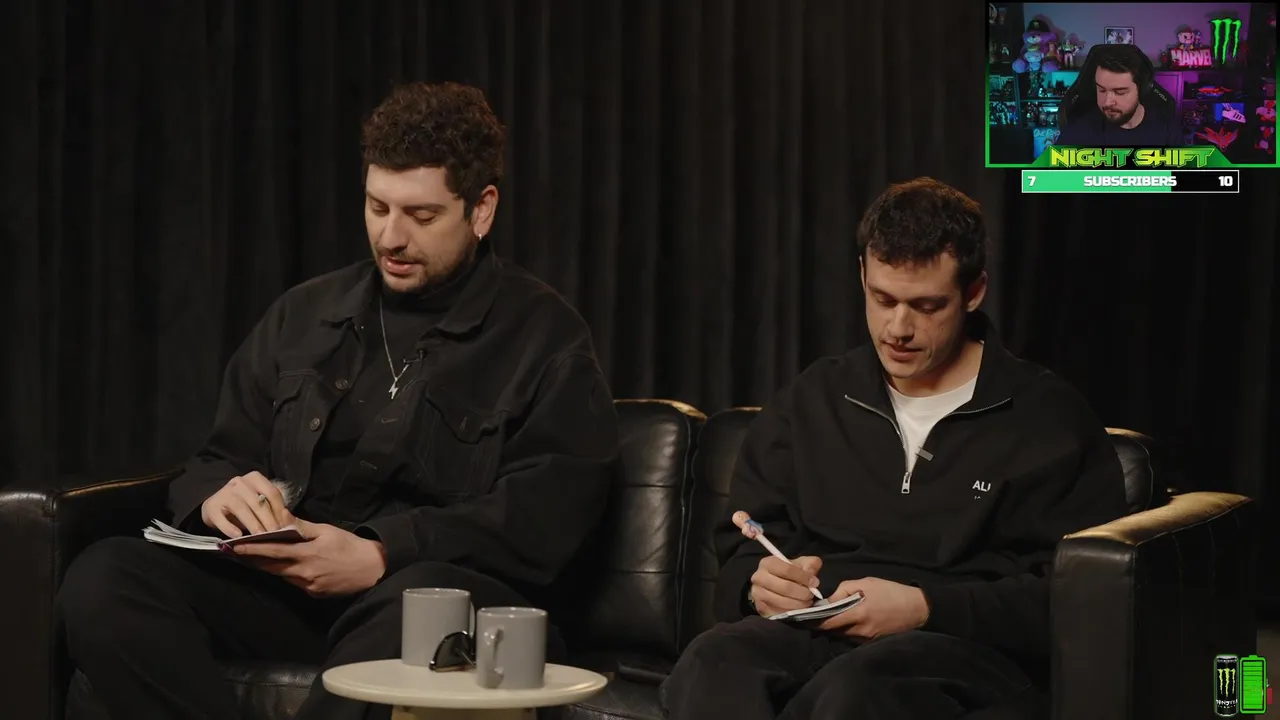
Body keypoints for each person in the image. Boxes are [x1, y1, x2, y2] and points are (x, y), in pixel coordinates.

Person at [57, 81, 619, 720]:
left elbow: (544, 517)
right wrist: (218, 496)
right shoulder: (304, 313)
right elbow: (218, 456)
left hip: (420, 596)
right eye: (377, 207)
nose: (391, 237)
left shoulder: (544, 336)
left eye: (421, 216)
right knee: (107, 576)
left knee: (419, 605)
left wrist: (381, 553)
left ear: (482, 209)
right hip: (286, 592)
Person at [659, 178, 1128, 719]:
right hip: (820, 628)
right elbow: (745, 545)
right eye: (882, 299)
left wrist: (925, 607)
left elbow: (1077, 596)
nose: (898, 328)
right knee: (712, 663)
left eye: (926, 306)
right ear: (862, 275)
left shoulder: (1048, 419)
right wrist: (757, 587)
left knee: (857, 693)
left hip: (964, 648)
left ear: (974, 292)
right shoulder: (814, 399)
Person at [1056, 46, 1184, 147]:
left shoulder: (1168, 131)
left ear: (1142, 90)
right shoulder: (1078, 132)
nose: (1107, 102)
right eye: (1101, 90)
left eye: (1120, 92)